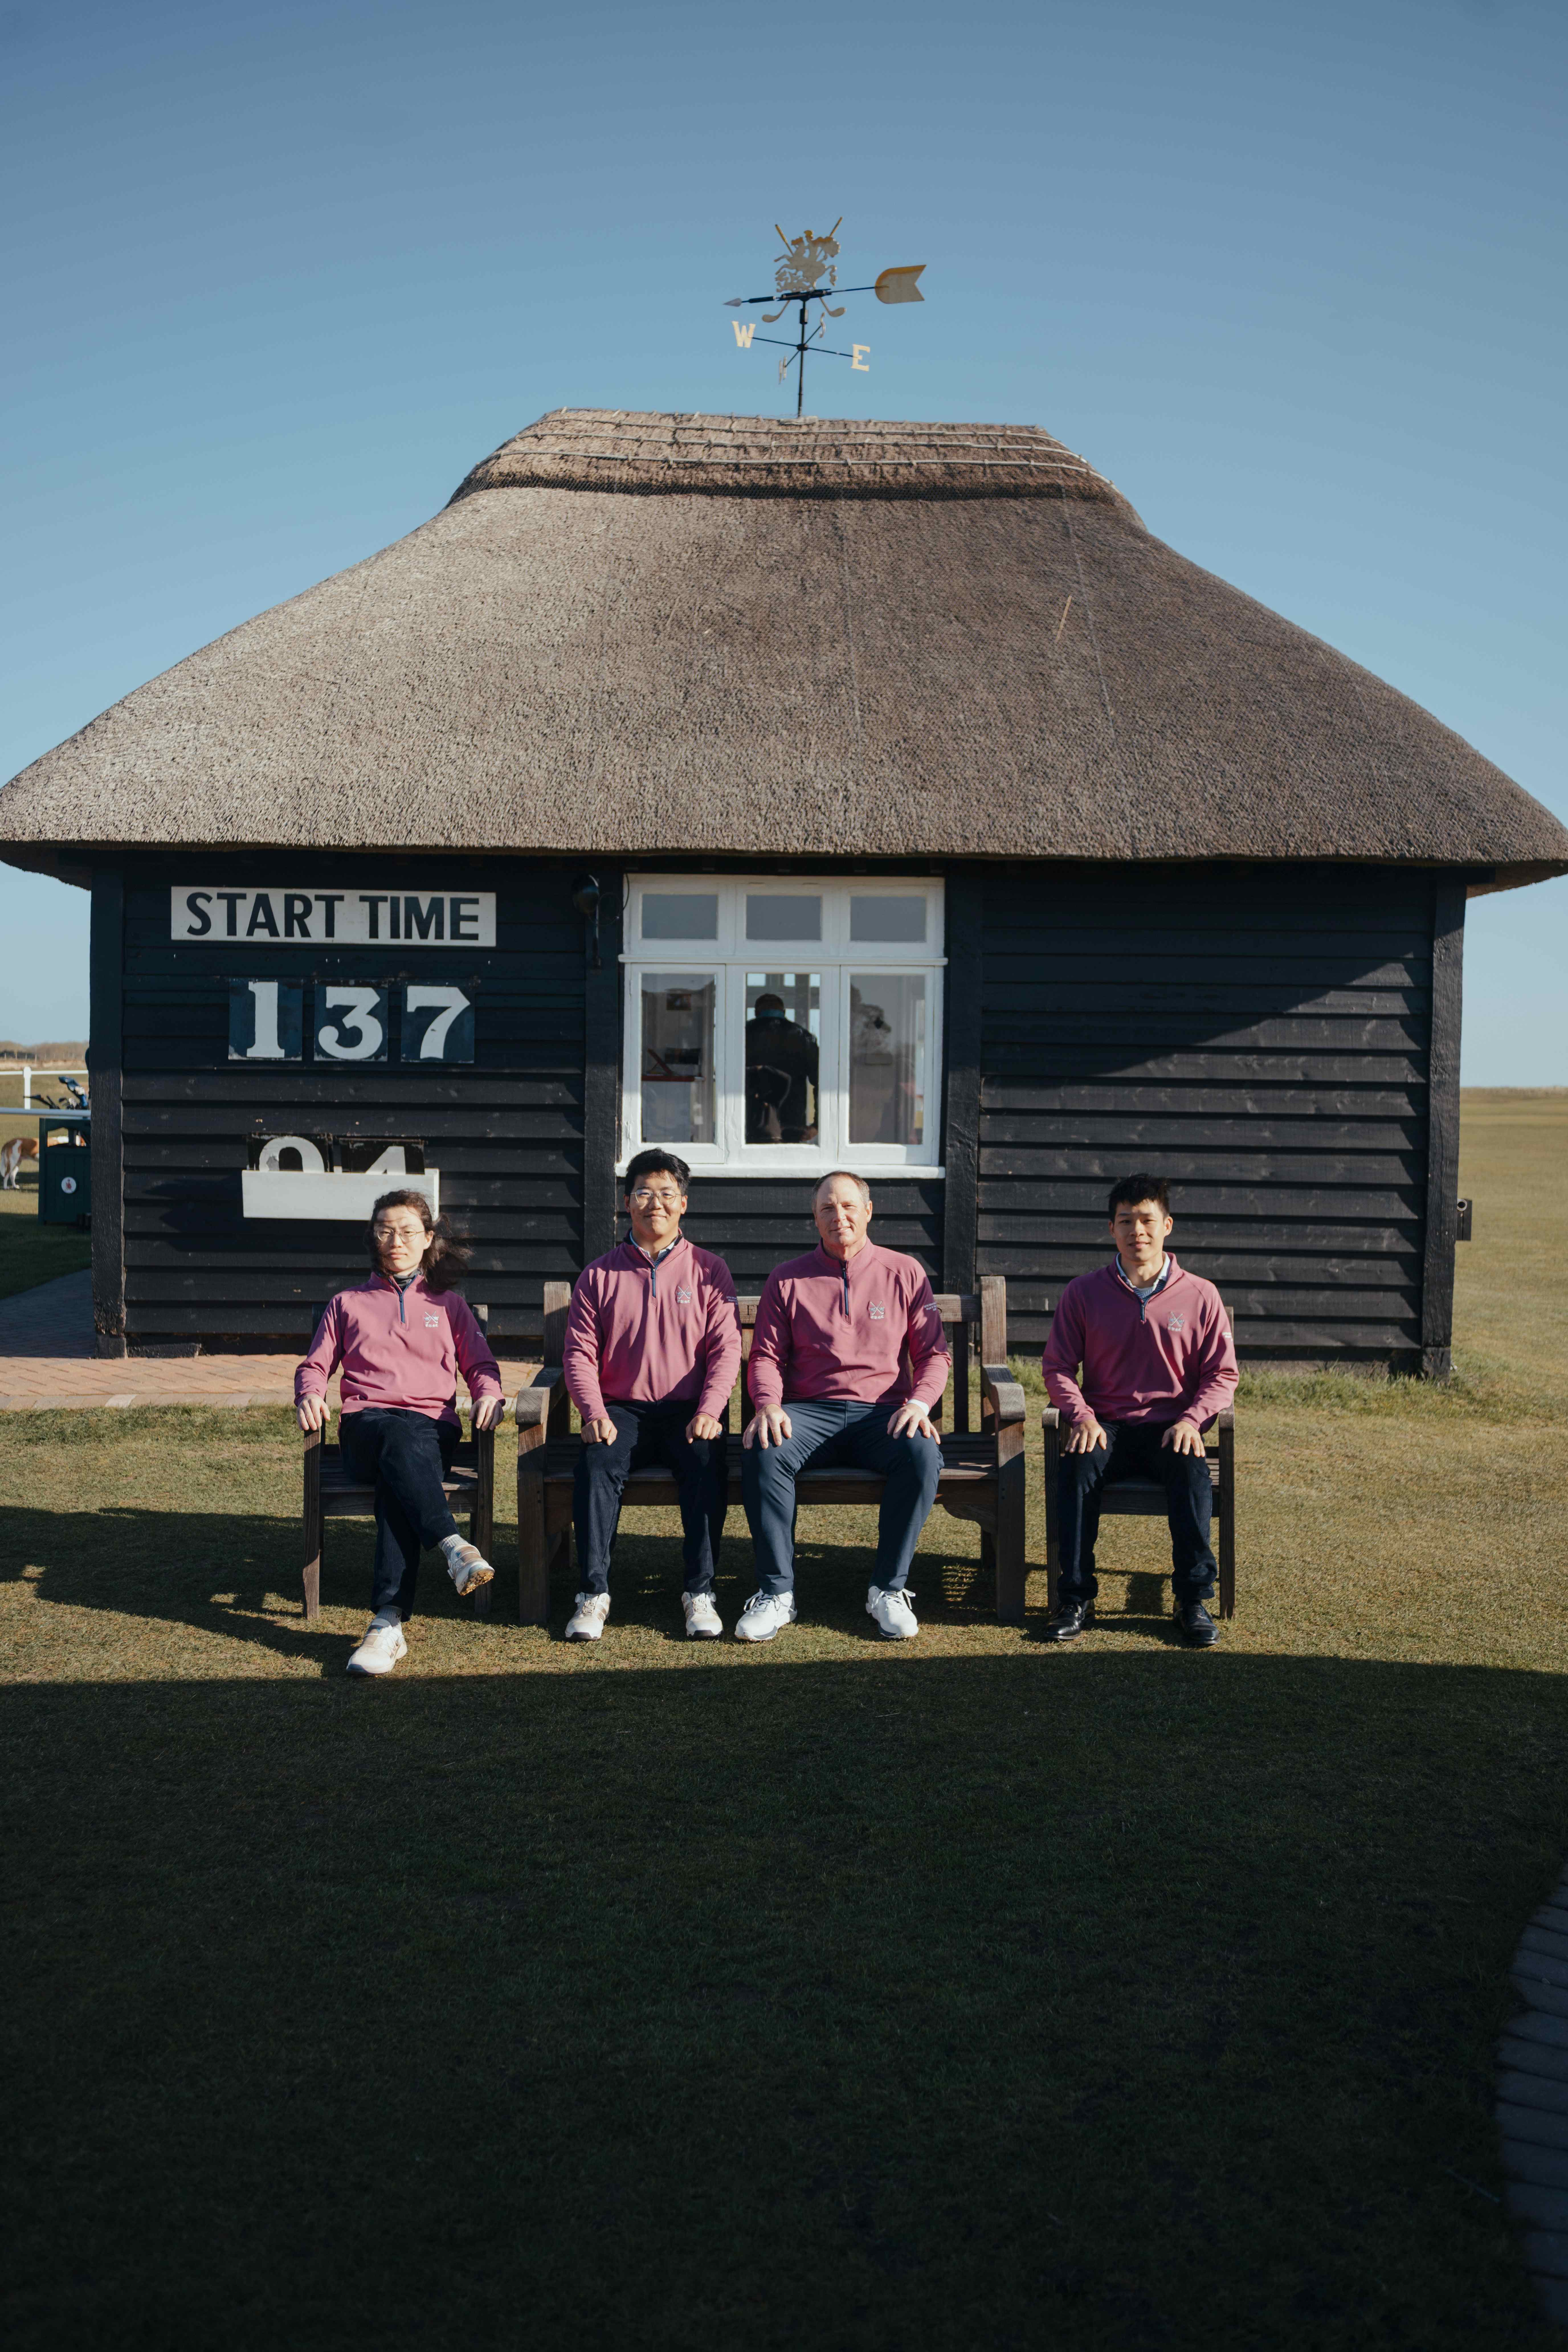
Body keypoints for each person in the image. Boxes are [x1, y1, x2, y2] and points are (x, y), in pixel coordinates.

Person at [295, 1189, 505, 1677]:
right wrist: (309, 1393)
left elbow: (480, 1364)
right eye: (386, 1229)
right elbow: (315, 1365)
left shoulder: (449, 1305)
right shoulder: (346, 1303)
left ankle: (387, 1623)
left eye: (408, 1230)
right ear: (373, 1237)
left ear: (428, 1238)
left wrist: (489, 1393)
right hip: (366, 1429)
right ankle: (452, 1546)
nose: (397, 1240)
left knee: (404, 1469)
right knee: (396, 1440)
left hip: (431, 1431)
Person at [737, 1171, 950, 1643]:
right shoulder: (787, 1278)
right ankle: (776, 1593)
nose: (840, 1217)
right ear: (814, 1218)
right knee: (764, 1450)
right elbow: (766, 1357)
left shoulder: (904, 1272)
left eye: (849, 1206)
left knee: (921, 1455)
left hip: (884, 1413)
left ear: (868, 1211)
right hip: (809, 1412)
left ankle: (888, 1589)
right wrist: (768, 1405)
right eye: (828, 1209)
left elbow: (933, 1354)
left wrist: (919, 1403)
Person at [1040, 1173, 1238, 1647]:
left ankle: (1191, 1599)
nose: (1137, 1232)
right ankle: (1074, 1598)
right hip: (1104, 1426)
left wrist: (1192, 1420)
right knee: (1076, 1467)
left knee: (1193, 1474)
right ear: (1111, 1229)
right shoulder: (1082, 1293)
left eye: (1147, 1220)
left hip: (1171, 1429)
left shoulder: (1200, 1295)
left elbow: (1222, 1375)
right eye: (1125, 1221)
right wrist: (1080, 1415)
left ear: (1166, 1225)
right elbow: (1057, 1366)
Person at [562, 1148, 742, 1641]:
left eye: (667, 1194)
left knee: (706, 1462)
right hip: (621, 1409)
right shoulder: (598, 1275)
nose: (654, 1204)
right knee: (597, 1464)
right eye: (644, 1193)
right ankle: (593, 1593)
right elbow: (578, 1353)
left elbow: (727, 1349)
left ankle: (699, 1592)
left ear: (683, 1203)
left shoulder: (710, 1271)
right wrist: (593, 1411)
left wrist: (710, 1410)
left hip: (688, 1411)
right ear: (626, 1202)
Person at [744, 991, 819, 1143]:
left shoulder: (742, 1034)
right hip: (793, 1122)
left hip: (749, 1120)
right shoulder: (803, 1037)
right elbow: (821, 1081)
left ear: (756, 1012)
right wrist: (818, 1125)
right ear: (784, 1013)